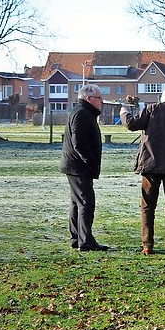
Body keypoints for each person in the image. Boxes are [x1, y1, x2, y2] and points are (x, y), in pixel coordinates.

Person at [123, 86, 165, 255]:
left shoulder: (151, 109)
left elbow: (131, 124)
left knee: (148, 206)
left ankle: (147, 245)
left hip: (150, 165)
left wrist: (124, 112)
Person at [60, 84, 108, 252]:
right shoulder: (82, 114)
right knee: (86, 202)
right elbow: (78, 142)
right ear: (89, 98)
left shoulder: (83, 112)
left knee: (76, 202)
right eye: (99, 98)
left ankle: (76, 237)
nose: (102, 101)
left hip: (75, 165)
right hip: (78, 167)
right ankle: (85, 241)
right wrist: (90, 161)